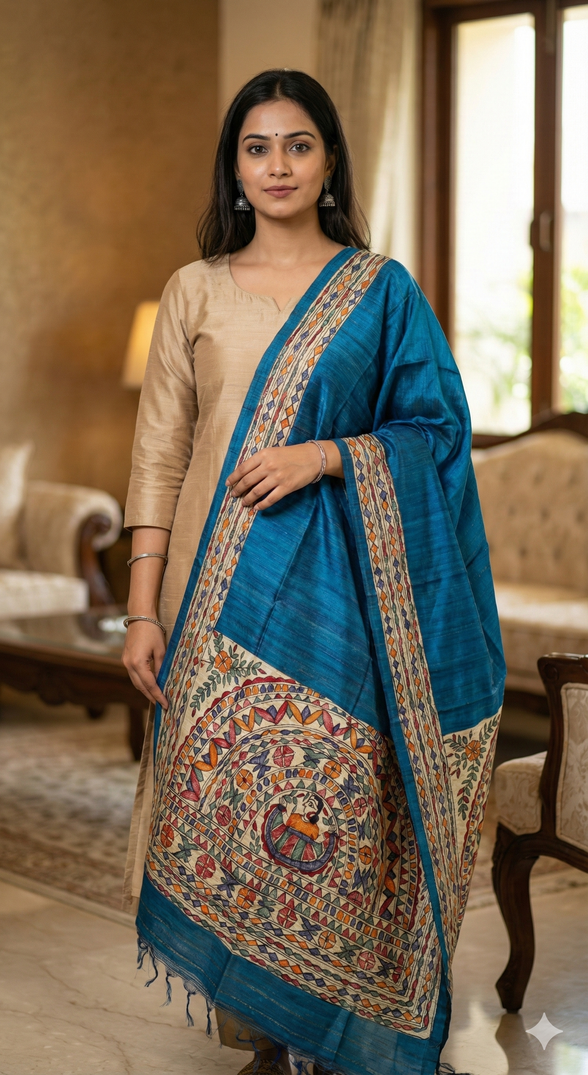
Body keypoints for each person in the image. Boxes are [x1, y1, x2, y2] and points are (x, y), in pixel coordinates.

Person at [122, 69, 505, 1075]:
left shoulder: (380, 294)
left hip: (344, 596)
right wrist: (138, 608)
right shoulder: (192, 289)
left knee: (330, 800)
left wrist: (329, 455)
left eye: (298, 143)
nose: (278, 164)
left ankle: (334, 1032)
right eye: (257, 147)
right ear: (235, 168)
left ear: (330, 160)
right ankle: (267, 1035)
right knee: (231, 802)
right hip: (209, 585)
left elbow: (435, 430)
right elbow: (160, 454)